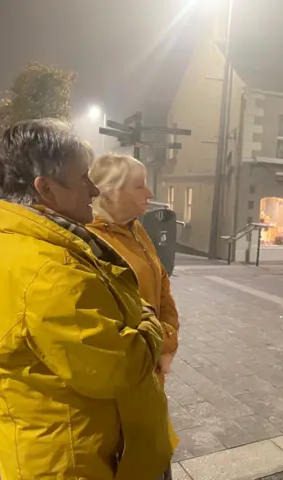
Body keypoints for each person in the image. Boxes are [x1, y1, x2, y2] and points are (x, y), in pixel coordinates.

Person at [0, 119, 172, 480]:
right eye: (82, 179)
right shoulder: (50, 269)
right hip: (76, 462)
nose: (94, 190)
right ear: (46, 189)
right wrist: (151, 322)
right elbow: (120, 367)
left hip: (88, 446)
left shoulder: (47, 241)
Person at [87, 154, 180, 479]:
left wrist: (168, 341)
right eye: (139, 185)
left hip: (151, 376)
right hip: (125, 387)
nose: (150, 192)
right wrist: (159, 347)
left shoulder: (136, 230)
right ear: (109, 191)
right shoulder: (92, 241)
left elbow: (163, 288)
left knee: (156, 456)